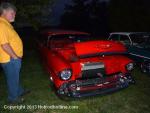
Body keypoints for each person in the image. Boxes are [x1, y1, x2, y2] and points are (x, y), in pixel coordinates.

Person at [0, 2, 29, 104]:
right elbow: (4, 44)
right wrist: (15, 57)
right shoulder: (1, 24)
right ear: (4, 11)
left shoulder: (6, 24)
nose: (14, 15)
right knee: (12, 79)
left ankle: (20, 91)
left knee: (13, 77)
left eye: (15, 13)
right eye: (12, 13)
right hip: (10, 59)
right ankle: (13, 99)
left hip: (11, 58)